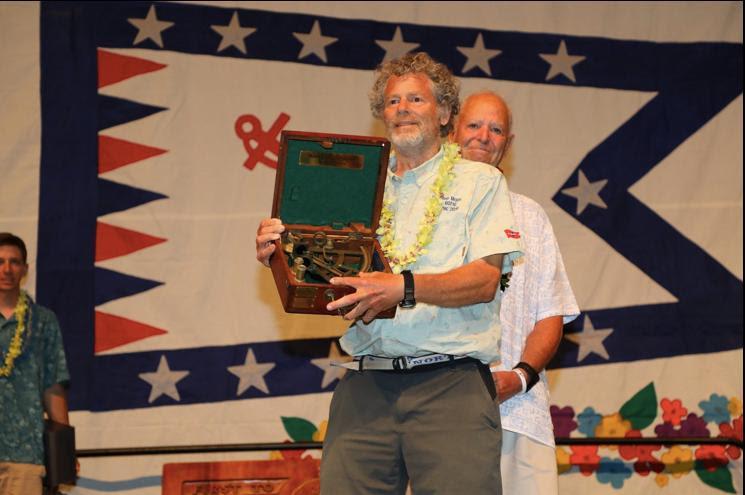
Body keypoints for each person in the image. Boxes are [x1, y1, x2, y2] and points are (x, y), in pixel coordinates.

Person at [256, 53, 523, 494]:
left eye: (415, 98)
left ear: (444, 113)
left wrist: (404, 287)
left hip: (450, 385)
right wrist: (282, 253)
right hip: (365, 385)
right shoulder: (359, 185)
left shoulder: (479, 181)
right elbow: (329, 279)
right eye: (392, 100)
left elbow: (484, 280)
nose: (401, 107)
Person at [452, 91, 579, 494]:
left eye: (496, 129)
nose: (483, 136)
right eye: (473, 125)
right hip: (437, 415)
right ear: (452, 130)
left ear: (508, 143)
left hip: (519, 412)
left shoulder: (530, 216)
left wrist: (520, 378)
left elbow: (551, 313)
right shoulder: (423, 210)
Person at [0, 232, 72, 495]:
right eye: (0, 262)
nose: (6, 269)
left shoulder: (43, 322)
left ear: (25, 269)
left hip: (25, 455)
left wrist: (64, 452)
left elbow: (53, 387)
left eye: (14, 262)